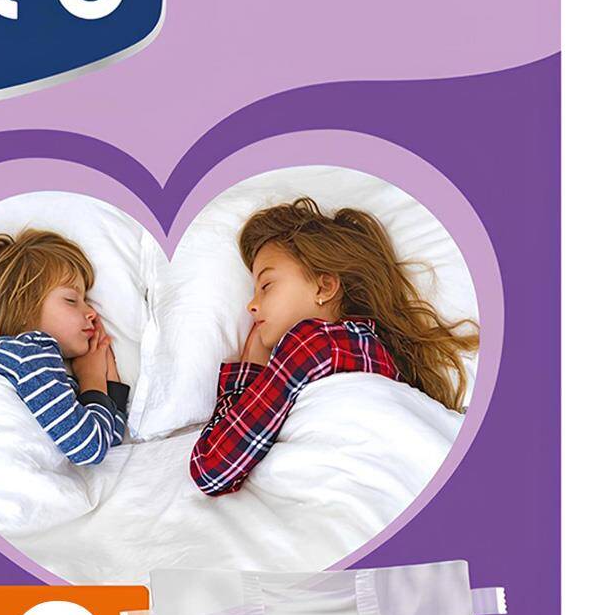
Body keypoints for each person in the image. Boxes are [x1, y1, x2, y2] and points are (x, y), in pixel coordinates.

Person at [190, 198, 479, 496]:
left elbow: (211, 469)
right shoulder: (375, 351)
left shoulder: (311, 342)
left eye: (266, 286)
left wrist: (251, 368)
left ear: (324, 286)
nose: (251, 304)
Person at [0, 229, 130, 467]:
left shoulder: (41, 373)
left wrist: (107, 378)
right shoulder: (27, 355)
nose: (92, 312)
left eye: (86, 301)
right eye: (71, 300)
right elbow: (89, 449)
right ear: (21, 308)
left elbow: (107, 440)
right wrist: (92, 378)